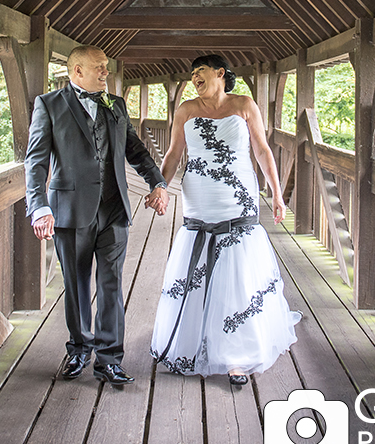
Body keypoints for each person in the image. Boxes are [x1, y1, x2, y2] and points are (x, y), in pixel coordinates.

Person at [147, 54, 300, 386]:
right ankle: (190, 341)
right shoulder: (186, 109)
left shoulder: (244, 104)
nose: (194, 78)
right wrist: (160, 187)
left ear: (220, 73)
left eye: (199, 71)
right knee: (197, 263)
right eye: (191, 74)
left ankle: (237, 356)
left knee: (238, 271)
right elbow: (174, 153)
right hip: (199, 197)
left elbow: (261, 150)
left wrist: (276, 192)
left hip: (238, 195)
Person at [26, 46, 170, 387]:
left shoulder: (116, 105)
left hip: (115, 209)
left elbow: (134, 149)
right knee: (76, 285)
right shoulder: (49, 105)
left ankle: (109, 359)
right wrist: (39, 205)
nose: (106, 72)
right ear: (77, 71)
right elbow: (36, 161)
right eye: (99, 67)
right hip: (70, 211)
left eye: (106, 67)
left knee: (111, 285)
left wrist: (158, 182)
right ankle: (78, 349)